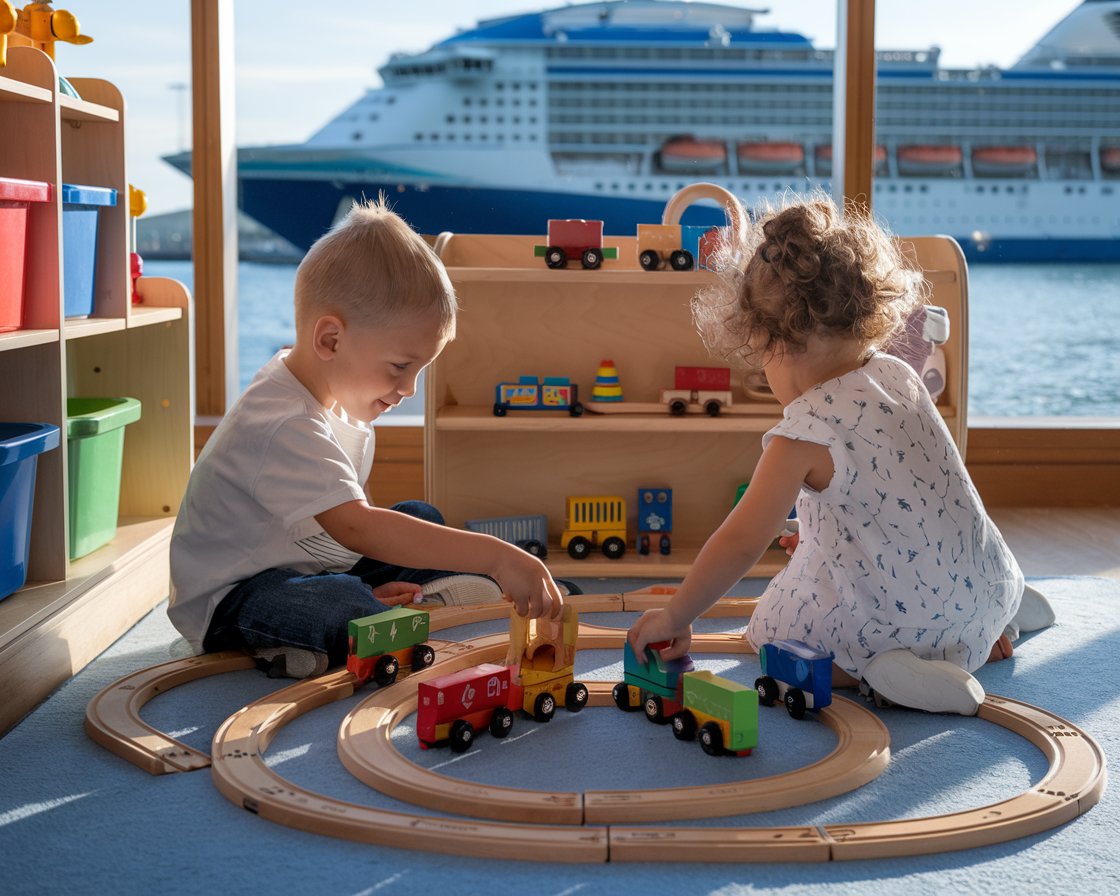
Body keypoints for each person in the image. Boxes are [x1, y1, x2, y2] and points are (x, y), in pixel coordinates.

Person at [628, 196, 1050, 715]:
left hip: (907, 624)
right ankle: (997, 620)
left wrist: (676, 615)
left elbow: (738, 544)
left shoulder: (802, 434)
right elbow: (904, 497)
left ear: (768, 341)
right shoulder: (898, 375)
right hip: (986, 583)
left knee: (771, 628)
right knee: (880, 576)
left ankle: (888, 670)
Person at [168, 198, 563, 679]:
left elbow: (355, 516)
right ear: (331, 340)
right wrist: (499, 556)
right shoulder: (282, 421)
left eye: (419, 370)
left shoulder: (336, 392)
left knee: (419, 517)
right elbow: (357, 527)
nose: (409, 388)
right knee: (338, 601)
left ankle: (370, 607)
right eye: (401, 366)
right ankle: (332, 623)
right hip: (233, 601)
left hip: (309, 567)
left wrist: (364, 577)